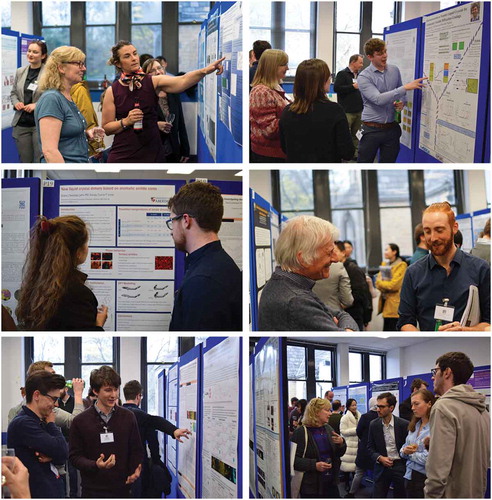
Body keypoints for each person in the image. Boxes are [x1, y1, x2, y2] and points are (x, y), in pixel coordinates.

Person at [101, 41, 224, 163]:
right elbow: (107, 128)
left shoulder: (152, 81)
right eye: (127, 56)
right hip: (123, 154)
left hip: (152, 153)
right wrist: (126, 121)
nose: (134, 58)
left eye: (135, 53)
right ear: (118, 63)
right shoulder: (112, 91)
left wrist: (205, 70)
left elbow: (182, 80)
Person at [398, 202, 490, 331]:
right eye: (427, 231)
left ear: (454, 227)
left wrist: (465, 331)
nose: (433, 238)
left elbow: (488, 322)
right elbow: (405, 322)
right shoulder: (413, 273)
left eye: (439, 230)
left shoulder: (481, 269)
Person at [258, 215, 359, 331]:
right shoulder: (297, 302)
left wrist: (344, 327)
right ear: (303, 259)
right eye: (330, 252)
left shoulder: (286, 284)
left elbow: (341, 315)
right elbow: (344, 340)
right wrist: (347, 331)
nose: (335, 259)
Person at [168, 182, 242, 330]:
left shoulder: (203, 281)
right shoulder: (218, 264)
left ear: (185, 221)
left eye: (172, 221)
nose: (171, 231)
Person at [15, 215, 108, 331]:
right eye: (86, 243)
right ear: (78, 252)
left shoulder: (33, 286)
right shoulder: (79, 295)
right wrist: (98, 324)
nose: (87, 248)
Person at [69, 366, 144, 498]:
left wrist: (135, 469)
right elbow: (74, 457)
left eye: (116, 389)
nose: (114, 395)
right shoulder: (80, 421)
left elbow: (136, 449)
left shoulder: (128, 417)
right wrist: (95, 465)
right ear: (95, 391)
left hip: (123, 490)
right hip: (92, 491)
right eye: (108, 390)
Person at [425, 352, 490, 497]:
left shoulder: (444, 407)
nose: (432, 377)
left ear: (447, 372)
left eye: (435, 372)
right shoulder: (482, 410)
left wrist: (430, 496)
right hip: (476, 492)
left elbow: (438, 469)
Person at [357, 38, 426, 163]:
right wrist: (404, 88)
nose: (384, 56)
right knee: (364, 165)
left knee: (388, 165)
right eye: (379, 54)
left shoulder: (394, 70)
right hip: (371, 130)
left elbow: (401, 94)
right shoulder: (364, 77)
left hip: (391, 129)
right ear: (370, 57)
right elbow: (378, 99)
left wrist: (402, 103)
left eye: (385, 52)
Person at [34, 46, 105, 163]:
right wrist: (66, 178)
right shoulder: (51, 99)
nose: (84, 68)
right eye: (79, 64)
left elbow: (64, 135)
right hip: (67, 174)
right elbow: (50, 151)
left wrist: (86, 134)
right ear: (61, 68)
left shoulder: (67, 97)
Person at [122, 380, 191, 497]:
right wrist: (173, 430)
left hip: (119, 466)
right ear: (138, 396)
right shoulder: (142, 416)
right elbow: (154, 437)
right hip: (139, 466)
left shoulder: (117, 415)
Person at [279, 58, 354, 162]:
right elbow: (347, 152)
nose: (330, 79)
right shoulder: (334, 111)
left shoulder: (287, 111)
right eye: (329, 76)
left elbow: (284, 148)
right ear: (322, 81)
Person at [8, 371, 68, 498]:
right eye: (54, 399)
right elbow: (62, 450)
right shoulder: (24, 423)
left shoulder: (40, 420)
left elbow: (62, 456)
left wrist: (53, 455)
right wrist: (52, 424)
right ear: (36, 395)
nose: (56, 404)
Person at [291, 398, 347, 498]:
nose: (330, 414)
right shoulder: (301, 432)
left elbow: (339, 454)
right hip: (311, 487)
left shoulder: (328, 428)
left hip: (331, 482)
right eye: (326, 410)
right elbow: (293, 461)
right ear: (315, 412)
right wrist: (314, 465)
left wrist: (341, 443)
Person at [142, 58, 190, 163]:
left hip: (173, 148)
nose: (158, 72)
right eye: (152, 71)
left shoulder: (173, 91)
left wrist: (185, 149)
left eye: (159, 68)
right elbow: (137, 124)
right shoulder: (143, 95)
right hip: (151, 150)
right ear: (145, 76)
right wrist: (156, 125)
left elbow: (180, 122)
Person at [10, 40, 47, 162]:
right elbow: (14, 93)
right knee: (25, 160)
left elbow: (52, 96)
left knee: (39, 159)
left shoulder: (49, 73)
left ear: (43, 56)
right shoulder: (20, 71)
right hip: (21, 123)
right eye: (29, 51)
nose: (30, 54)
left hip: (39, 123)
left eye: (35, 52)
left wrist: (36, 105)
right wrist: (16, 103)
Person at [250, 49, 290, 162]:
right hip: (269, 155)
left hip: (279, 152)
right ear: (272, 67)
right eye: (284, 65)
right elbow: (270, 130)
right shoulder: (261, 92)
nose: (287, 68)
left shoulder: (275, 88)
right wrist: (295, 117)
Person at [367, 393, 409, 498]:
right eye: (377, 406)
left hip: (399, 466)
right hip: (381, 467)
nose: (378, 409)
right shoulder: (373, 424)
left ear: (391, 408)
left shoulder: (403, 424)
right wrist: (380, 458)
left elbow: (407, 447)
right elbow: (369, 448)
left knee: (401, 496)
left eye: (382, 407)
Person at [399, 389, 435, 498]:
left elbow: (429, 459)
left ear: (429, 403)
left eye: (416, 404)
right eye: (412, 404)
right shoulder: (414, 425)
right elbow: (402, 450)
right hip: (409, 475)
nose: (412, 408)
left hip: (425, 478)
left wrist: (409, 454)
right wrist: (405, 451)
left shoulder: (435, 427)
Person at [333, 241, 372, 331]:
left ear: (343, 253)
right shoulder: (332, 268)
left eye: (335, 251)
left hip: (353, 313)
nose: (332, 255)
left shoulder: (353, 269)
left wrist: (344, 304)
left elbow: (360, 293)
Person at [333, 54, 364, 158]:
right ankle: (343, 154)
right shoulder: (342, 74)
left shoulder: (360, 75)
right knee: (344, 134)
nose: (362, 65)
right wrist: (352, 87)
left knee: (357, 134)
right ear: (353, 62)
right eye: (360, 62)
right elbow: (337, 88)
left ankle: (355, 154)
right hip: (347, 111)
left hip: (359, 110)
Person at [350, 397, 379, 498]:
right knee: (377, 475)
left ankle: (351, 493)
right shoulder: (381, 417)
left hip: (364, 449)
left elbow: (358, 431)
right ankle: (376, 495)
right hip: (376, 450)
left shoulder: (365, 417)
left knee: (359, 473)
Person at [375, 243, 407, 331]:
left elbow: (394, 285)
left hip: (395, 305)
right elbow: (377, 283)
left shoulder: (401, 265)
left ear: (394, 252)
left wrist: (382, 284)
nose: (385, 252)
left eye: (387, 250)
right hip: (385, 303)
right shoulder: (385, 264)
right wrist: (383, 284)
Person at [70, 79, 103, 158]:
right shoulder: (80, 90)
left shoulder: (54, 93)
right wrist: (97, 147)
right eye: (78, 65)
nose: (83, 68)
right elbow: (88, 120)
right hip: (84, 147)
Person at [339, 399, 361, 494]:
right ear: (348, 407)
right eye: (352, 405)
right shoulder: (344, 418)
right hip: (348, 444)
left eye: (355, 405)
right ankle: (347, 483)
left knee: (355, 466)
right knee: (347, 467)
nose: (355, 407)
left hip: (357, 444)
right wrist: (356, 430)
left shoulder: (359, 416)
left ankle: (355, 484)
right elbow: (343, 431)